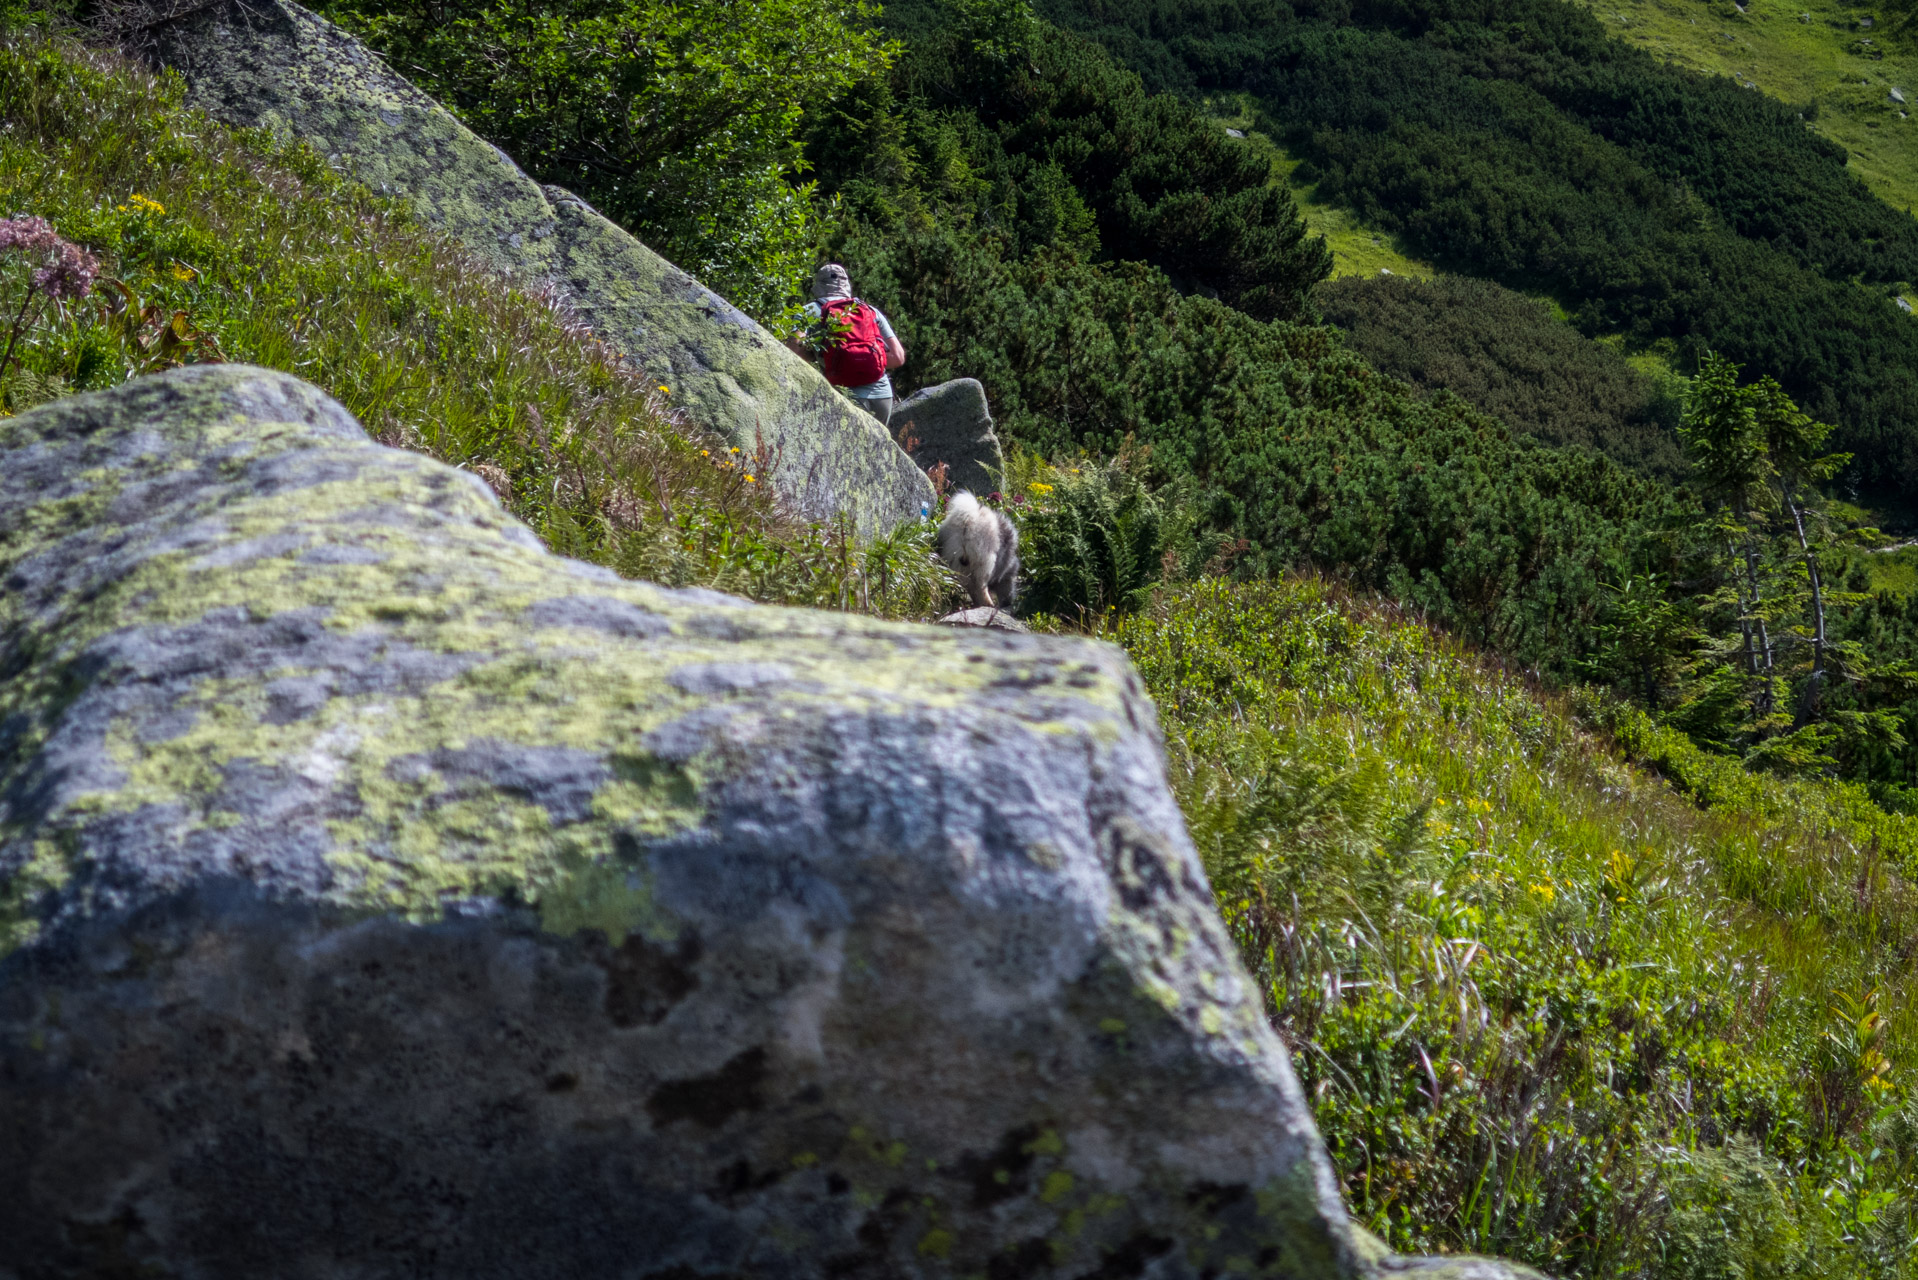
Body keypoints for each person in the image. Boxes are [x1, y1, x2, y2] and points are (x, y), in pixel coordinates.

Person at [785, 263, 906, 427]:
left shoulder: (808, 311)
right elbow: (898, 358)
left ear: (819, 285)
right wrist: (866, 361)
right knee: (874, 450)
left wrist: (817, 356)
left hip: (844, 395)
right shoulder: (869, 310)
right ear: (846, 285)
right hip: (881, 396)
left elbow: (794, 349)